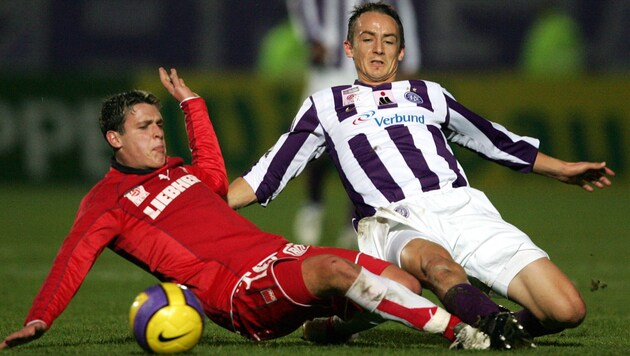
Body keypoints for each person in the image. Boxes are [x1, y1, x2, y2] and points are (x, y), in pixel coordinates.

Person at [0, 67, 495, 351]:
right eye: (145, 126)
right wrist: (40, 318)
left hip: (279, 255)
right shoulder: (105, 202)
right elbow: (72, 260)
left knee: (403, 282)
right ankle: (464, 334)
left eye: (158, 124)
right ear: (115, 139)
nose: (157, 132)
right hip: (237, 291)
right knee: (333, 269)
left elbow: (214, 176)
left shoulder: (176, 171)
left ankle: (325, 329)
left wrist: (193, 104)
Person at [227, 1, 615, 345]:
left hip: (461, 207)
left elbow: (493, 139)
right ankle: (492, 327)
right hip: (391, 220)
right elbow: (266, 175)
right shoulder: (325, 105)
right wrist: (198, 203)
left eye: (388, 40)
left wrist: (562, 169)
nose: (377, 48)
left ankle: (483, 325)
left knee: (566, 310)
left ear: (401, 51)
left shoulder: (429, 93)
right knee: (437, 267)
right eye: (367, 38)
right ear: (349, 48)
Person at [286, 0, 421, 247]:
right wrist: (311, 36)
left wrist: (409, 63)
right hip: (329, 68)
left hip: (372, 72)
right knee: (314, 138)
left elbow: (402, 14)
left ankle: (356, 217)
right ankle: (313, 205)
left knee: (367, 146)